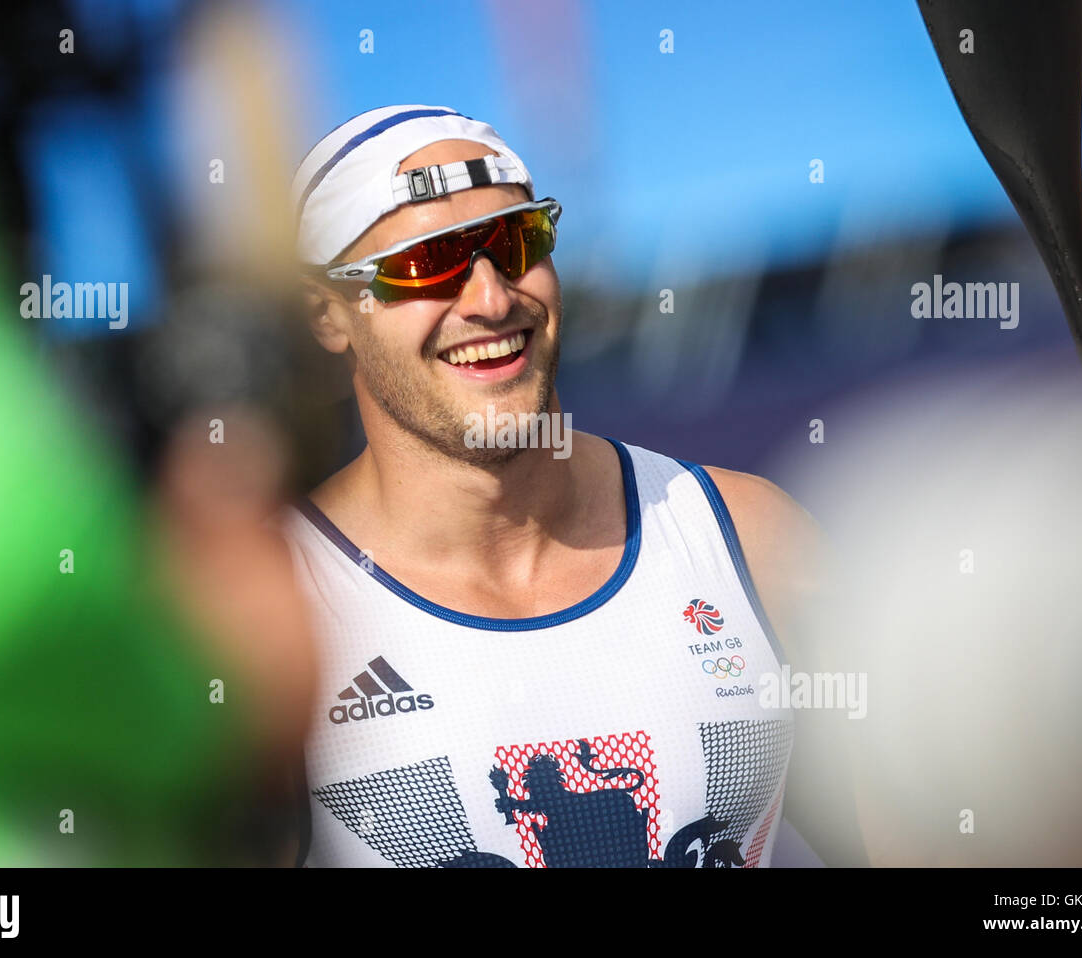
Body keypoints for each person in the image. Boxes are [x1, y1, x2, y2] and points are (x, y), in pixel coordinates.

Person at [283, 105, 864, 868]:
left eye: (516, 242)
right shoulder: (268, 612)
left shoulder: (750, 537)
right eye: (427, 263)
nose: (490, 299)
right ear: (329, 313)